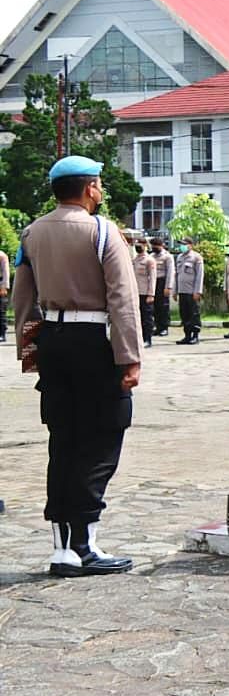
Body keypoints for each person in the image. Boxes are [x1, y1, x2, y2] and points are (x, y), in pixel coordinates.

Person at [11, 155, 142, 576]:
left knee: (63, 441)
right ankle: (85, 544)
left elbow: (22, 300)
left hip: (53, 342)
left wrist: (29, 351)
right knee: (104, 437)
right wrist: (129, 358)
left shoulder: (31, 234)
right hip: (94, 344)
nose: (101, 192)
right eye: (99, 185)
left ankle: (62, 548)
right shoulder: (103, 231)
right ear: (88, 189)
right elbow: (123, 298)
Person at [173, 237, 204, 345]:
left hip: (192, 291)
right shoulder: (179, 257)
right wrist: (175, 290)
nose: (181, 246)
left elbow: (200, 275)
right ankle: (187, 335)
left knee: (194, 314)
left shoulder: (196, 257)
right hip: (182, 290)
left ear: (190, 245)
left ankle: (195, 335)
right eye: (181, 244)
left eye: (184, 244)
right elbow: (176, 275)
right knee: (184, 314)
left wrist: (197, 291)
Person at [131, 235, 157, 349]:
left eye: (140, 244)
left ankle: (148, 339)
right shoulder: (135, 259)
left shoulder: (149, 260)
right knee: (138, 318)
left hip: (145, 293)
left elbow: (152, 278)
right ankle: (140, 339)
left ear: (145, 246)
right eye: (136, 244)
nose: (138, 247)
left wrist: (151, 294)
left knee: (147, 318)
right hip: (136, 293)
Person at [149, 237, 174, 337]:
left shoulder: (167, 256)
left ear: (161, 246)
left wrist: (168, 286)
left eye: (155, 246)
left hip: (162, 282)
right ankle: (158, 327)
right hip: (154, 282)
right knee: (155, 306)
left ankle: (164, 327)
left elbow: (170, 272)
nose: (154, 248)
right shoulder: (151, 256)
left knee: (163, 306)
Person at [0, 245, 9, 343]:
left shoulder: (2, 255)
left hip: (0, 284)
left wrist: (4, 287)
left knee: (1, 311)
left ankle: (2, 334)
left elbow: (6, 272)